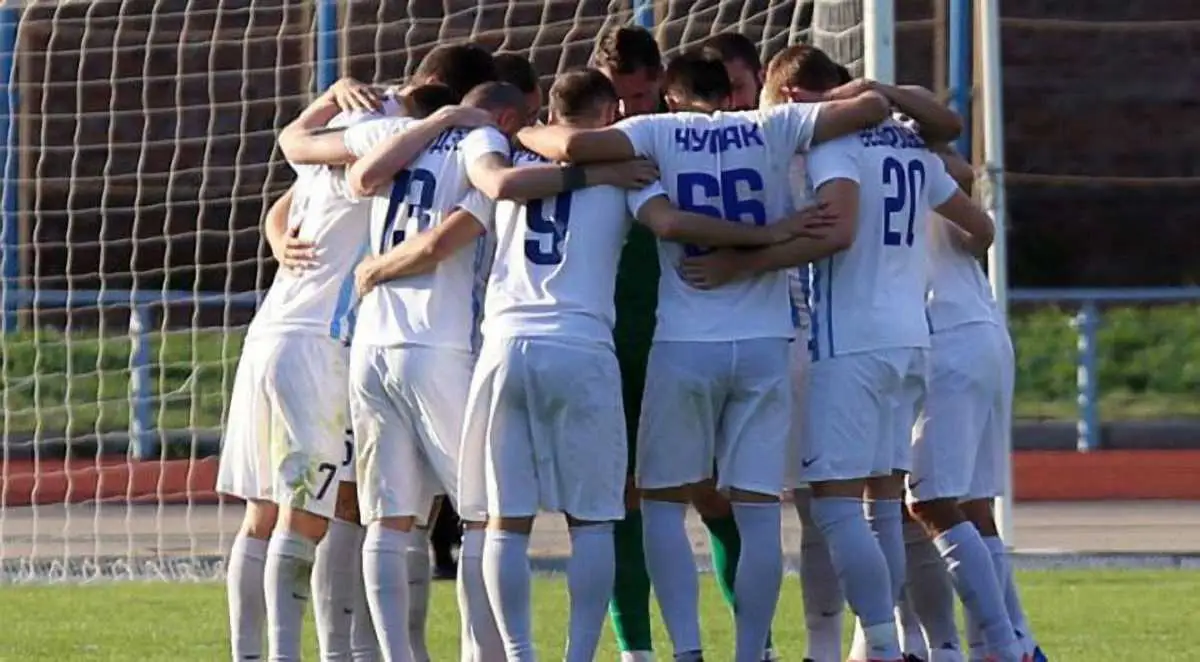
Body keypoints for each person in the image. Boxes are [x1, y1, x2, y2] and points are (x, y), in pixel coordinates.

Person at [518, 49, 890, 662]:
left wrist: (526, 130)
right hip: (767, 341)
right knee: (758, 511)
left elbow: (577, 149)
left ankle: (686, 651)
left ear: (671, 95)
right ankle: (751, 654)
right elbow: (872, 106)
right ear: (729, 93)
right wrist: (820, 105)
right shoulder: (773, 124)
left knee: (661, 505)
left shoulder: (655, 131)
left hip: (685, 343)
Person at [679, 44, 997, 662]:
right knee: (884, 508)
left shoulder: (824, 145)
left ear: (789, 96)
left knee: (827, 508)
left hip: (837, 342)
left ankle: (871, 644)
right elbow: (977, 218)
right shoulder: (904, 143)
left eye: (752, 92)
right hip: (911, 338)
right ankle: (928, 644)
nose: (745, 107)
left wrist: (741, 263)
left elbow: (839, 232)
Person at [218, 76, 394, 662]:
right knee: (318, 512)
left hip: (268, 335)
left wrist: (276, 240)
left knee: (265, 513)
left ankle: (254, 653)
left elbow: (281, 204)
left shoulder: (322, 156)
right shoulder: (386, 146)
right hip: (318, 344)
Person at [590, 25, 664, 662]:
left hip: (678, 338)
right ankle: (634, 648)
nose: (625, 111)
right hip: (601, 343)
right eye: (615, 97)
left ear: (661, 87)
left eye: (638, 98)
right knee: (616, 496)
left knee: (714, 492)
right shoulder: (574, 144)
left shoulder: (680, 137)